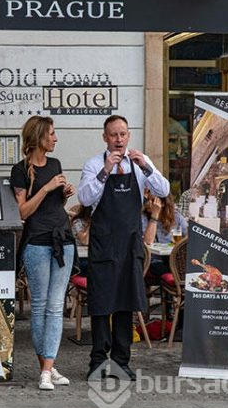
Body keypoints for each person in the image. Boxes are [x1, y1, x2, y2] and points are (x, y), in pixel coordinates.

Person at [77, 115, 169, 381]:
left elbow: (162, 191)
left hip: (130, 243)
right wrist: (105, 171)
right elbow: (85, 197)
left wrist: (148, 169)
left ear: (129, 136)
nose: (119, 140)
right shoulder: (94, 164)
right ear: (105, 137)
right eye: (113, 135)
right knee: (101, 303)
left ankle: (121, 360)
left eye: (123, 134)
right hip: (103, 243)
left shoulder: (141, 162)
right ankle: (97, 361)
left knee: (126, 303)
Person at [10, 116, 76, 391]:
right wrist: (47, 188)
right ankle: (46, 370)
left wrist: (64, 194)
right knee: (40, 306)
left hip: (63, 237)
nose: (55, 138)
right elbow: (22, 212)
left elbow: (54, 204)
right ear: (38, 137)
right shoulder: (20, 170)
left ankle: (47, 369)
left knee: (56, 305)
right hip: (36, 240)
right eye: (51, 133)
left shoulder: (56, 164)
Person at [142, 193, 188, 277]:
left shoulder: (177, 217)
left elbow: (188, 236)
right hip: (153, 260)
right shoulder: (144, 217)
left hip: (173, 259)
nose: (148, 203)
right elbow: (148, 241)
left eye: (152, 201)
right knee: (163, 269)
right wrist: (155, 215)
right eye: (147, 200)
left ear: (162, 203)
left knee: (183, 270)